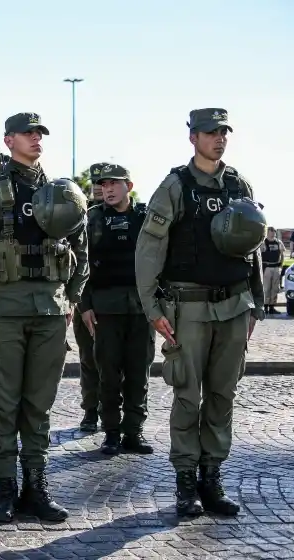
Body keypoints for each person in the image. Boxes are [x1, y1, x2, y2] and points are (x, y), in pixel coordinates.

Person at [135, 108, 265, 517]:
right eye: (211, 132)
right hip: (187, 307)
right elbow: (150, 246)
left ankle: (212, 478)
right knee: (188, 395)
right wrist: (151, 306)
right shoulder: (175, 186)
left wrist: (256, 305)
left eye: (224, 132)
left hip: (234, 304)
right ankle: (186, 482)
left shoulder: (238, 183)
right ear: (193, 137)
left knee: (223, 395)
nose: (219, 139)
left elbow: (252, 242)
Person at [0, 113, 88, 523]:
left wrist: (70, 298)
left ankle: (37, 487)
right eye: (28, 134)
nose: (36, 139)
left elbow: (82, 250)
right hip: (5, 309)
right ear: (8, 140)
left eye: (40, 134)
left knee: (39, 404)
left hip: (50, 310)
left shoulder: (62, 191)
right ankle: (4, 490)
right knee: (4, 402)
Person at [79, 163, 154, 456]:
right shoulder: (92, 219)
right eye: (104, 184)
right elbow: (80, 263)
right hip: (105, 309)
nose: (107, 189)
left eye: (114, 184)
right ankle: (110, 432)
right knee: (107, 374)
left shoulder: (145, 218)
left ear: (129, 186)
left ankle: (133, 432)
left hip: (141, 309)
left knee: (139, 373)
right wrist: (84, 305)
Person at [74, 179, 103, 432]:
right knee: (89, 360)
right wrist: (82, 305)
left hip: (116, 302)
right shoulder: (80, 219)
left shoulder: (134, 216)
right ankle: (91, 411)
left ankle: (116, 415)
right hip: (87, 300)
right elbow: (77, 264)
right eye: (97, 183)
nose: (100, 189)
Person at [261, 227, 284, 314]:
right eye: (270, 231)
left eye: (274, 231)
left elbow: (282, 255)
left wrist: (281, 266)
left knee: (275, 289)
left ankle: (272, 307)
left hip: (276, 268)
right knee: (266, 288)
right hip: (267, 267)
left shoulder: (278, 242)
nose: (272, 233)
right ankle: (265, 307)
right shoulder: (263, 243)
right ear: (267, 232)